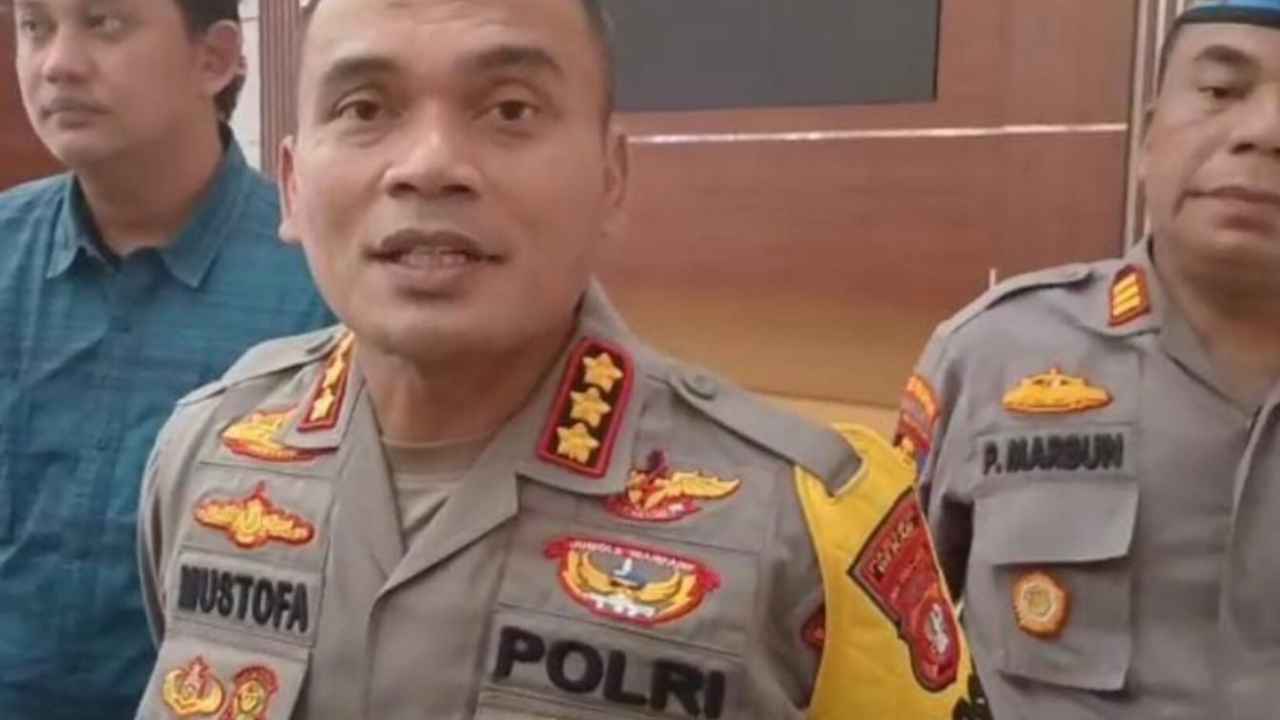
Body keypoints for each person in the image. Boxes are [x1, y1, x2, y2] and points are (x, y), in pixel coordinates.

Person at [132, 0, 990, 718]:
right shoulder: (209, 454)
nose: (430, 166)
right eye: (364, 109)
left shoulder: (806, 523)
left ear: (611, 175)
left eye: (510, 109)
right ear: (291, 183)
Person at [897, 0, 1280, 716]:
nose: (1266, 131)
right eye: (1221, 90)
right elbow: (883, 640)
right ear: (1148, 138)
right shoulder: (992, 357)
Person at [0, 0, 333, 716]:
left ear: (214, 58)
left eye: (104, 23)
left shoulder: (319, 291)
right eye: (35, 27)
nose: (58, 64)